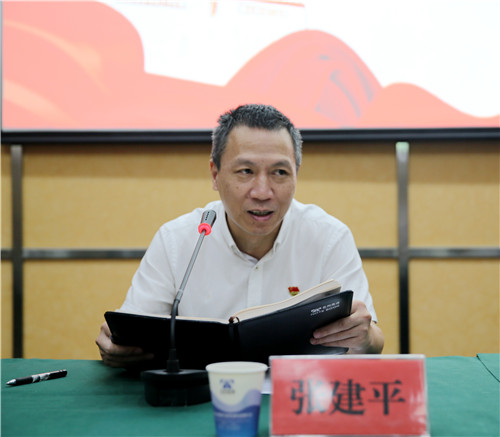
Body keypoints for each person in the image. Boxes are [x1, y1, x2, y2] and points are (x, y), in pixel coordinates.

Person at [96, 104, 384, 367]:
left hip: (298, 397)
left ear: (296, 174)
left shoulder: (329, 237)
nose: (262, 192)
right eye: (246, 171)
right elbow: (131, 335)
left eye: (280, 173)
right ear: (215, 174)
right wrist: (118, 346)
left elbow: (371, 343)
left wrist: (365, 337)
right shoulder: (177, 240)